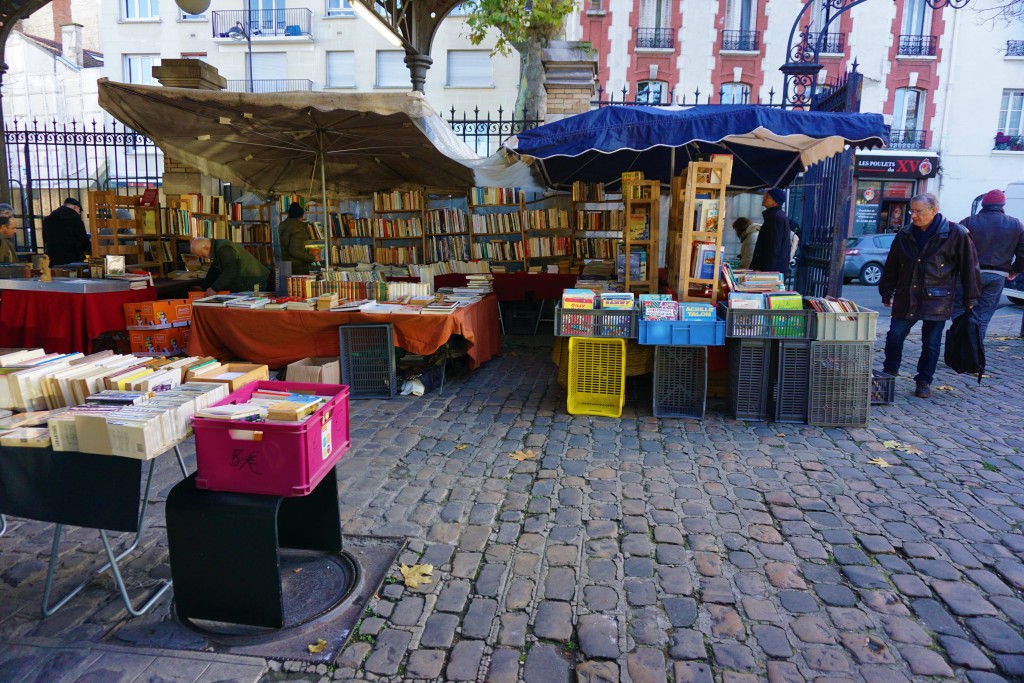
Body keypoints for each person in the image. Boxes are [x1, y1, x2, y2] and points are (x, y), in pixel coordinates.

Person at [878, 192, 980, 399]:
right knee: (895, 335)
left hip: (938, 298)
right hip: (907, 295)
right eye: (912, 211)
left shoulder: (956, 233)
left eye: (918, 211)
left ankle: (924, 381)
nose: (913, 216)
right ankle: (889, 372)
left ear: (934, 210)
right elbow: (892, 265)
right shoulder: (905, 234)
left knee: (931, 342)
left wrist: (971, 299)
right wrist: (886, 290)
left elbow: (970, 268)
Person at [957, 189, 1024, 337]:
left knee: (961, 313)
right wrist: (1015, 271)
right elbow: (1022, 253)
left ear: (984, 203)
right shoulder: (1015, 224)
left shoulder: (968, 222)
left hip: (969, 274)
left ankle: (958, 348)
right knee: (982, 317)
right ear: (1002, 204)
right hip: (997, 275)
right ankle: (974, 353)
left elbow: (955, 249)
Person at [190, 237, 270, 296]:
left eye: (201, 255)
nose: (202, 257)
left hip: (253, 279)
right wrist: (204, 287)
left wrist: (214, 288)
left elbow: (231, 270)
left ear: (206, 248)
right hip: (247, 279)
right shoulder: (217, 248)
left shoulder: (224, 249)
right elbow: (214, 270)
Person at [750, 188, 792, 272]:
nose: (763, 198)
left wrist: (768, 274)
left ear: (775, 202)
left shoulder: (775, 218)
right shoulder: (775, 216)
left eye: (767, 196)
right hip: (771, 270)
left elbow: (773, 247)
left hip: (769, 272)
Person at [42, 197, 90, 265]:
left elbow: (45, 239)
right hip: (72, 258)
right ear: (75, 207)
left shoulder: (48, 219)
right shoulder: (76, 220)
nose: (78, 214)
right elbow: (82, 240)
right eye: (79, 211)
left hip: (52, 258)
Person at [277, 203, 318, 275]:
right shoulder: (297, 228)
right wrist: (312, 258)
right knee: (298, 286)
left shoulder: (284, 225)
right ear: (301, 216)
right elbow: (294, 250)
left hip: (285, 265)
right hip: (298, 268)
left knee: (286, 286)